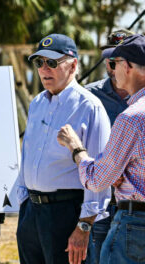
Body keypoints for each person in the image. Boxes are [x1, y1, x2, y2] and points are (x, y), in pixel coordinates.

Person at [16, 33, 111, 264]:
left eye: (52, 62)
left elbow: (101, 173)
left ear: (73, 65)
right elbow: (28, 155)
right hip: (31, 214)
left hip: (67, 213)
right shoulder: (38, 103)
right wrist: (23, 203)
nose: (44, 69)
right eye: (39, 63)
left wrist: (84, 226)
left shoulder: (90, 106)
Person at [58, 34, 145, 264]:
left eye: (114, 62)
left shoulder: (132, 117)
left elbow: (98, 180)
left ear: (126, 67)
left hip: (135, 224)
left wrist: (77, 149)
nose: (111, 68)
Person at [84, 29, 134, 264]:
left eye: (119, 61)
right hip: (100, 204)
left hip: (135, 207)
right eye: (110, 61)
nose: (114, 68)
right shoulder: (89, 96)